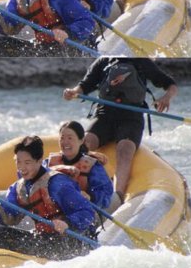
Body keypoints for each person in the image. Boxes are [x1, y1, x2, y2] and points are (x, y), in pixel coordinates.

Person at [63, 57, 178, 203]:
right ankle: (69, 187)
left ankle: (117, 197)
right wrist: (72, 92)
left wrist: (166, 98)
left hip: (132, 116)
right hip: (104, 115)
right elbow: (85, 85)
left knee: (124, 149)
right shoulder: (103, 61)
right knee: (84, 145)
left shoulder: (141, 62)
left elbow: (171, 85)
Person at [0, 135, 96, 260]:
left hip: (73, 238)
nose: (22, 167)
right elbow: (10, 220)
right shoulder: (18, 188)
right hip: (47, 239)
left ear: (39, 160)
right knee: (3, 234)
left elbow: (87, 212)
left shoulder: (58, 183)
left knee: (61, 242)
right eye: (18, 162)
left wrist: (67, 223)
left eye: (27, 162)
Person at [46, 121, 114, 210]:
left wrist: (90, 197)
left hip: (86, 210)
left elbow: (106, 193)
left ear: (81, 140)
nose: (65, 142)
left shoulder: (92, 166)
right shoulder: (48, 163)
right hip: (56, 211)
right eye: (62, 138)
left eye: (70, 138)